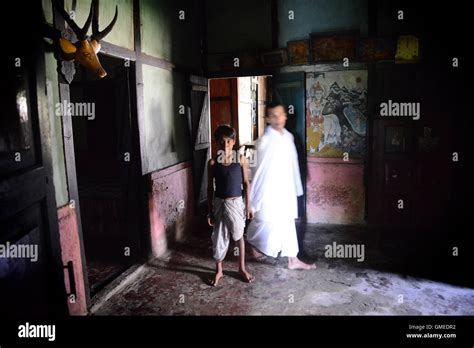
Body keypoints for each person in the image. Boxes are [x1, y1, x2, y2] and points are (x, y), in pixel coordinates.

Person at [247, 102, 316, 270]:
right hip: (270, 191)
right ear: (268, 119)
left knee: (287, 223)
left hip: (286, 189)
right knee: (264, 222)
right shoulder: (264, 142)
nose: (278, 119)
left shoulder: (288, 137)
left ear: (285, 116)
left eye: (280, 114)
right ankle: (250, 242)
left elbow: (292, 164)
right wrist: (252, 199)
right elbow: (258, 171)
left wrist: (297, 188)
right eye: (273, 115)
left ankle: (293, 259)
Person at [207, 125, 255, 286]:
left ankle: (241, 268)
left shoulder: (240, 159)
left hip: (235, 204)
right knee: (218, 238)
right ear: (216, 143)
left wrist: (248, 206)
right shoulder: (213, 163)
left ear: (234, 142)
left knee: (239, 235)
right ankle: (219, 270)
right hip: (219, 203)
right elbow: (209, 187)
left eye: (228, 141)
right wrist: (209, 211)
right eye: (221, 142)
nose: (225, 145)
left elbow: (246, 184)